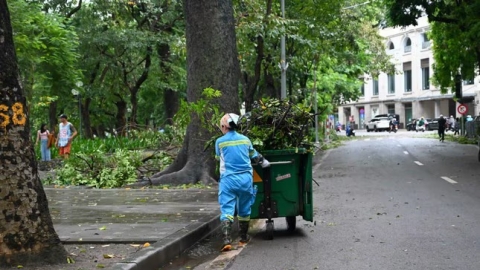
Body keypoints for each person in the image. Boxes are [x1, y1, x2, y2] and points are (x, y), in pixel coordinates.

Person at [215, 113, 269, 252]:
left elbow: (218, 158)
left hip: (228, 180)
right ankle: (243, 237)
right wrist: (264, 162)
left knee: (227, 209)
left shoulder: (220, 142)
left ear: (223, 126)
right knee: (244, 209)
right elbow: (254, 156)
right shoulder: (245, 140)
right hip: (245, 180)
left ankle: (226, 239)